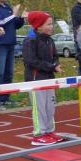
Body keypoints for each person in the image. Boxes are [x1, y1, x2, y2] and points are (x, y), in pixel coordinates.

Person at [23, 11, 64, 146]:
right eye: (48, 24)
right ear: (38, 26)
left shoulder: (50, 40)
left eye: (52, 24)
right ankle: (39, 134)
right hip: (36, 79)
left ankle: (49, 131)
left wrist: (56, 64)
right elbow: (31, 61)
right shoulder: (30, 40)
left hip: (49, 78)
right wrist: (51, 66)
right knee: (39, 108)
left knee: (50, 106)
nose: (52, 27)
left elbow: (55, 56)